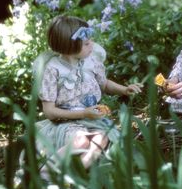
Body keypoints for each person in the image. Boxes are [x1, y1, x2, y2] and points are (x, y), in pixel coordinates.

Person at [34, 15, 143, 170]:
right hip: (67, 122)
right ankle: (46, 173)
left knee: (101, 139)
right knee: (81, 141)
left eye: (90, 40)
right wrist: (84, 113)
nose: (92, 45)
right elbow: (49, 111)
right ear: (68, 47)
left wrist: (124, 89)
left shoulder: (91, 61)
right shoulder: (53, 69)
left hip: (92, 119)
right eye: (86, 43)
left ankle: (72, 174)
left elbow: (104, 84)